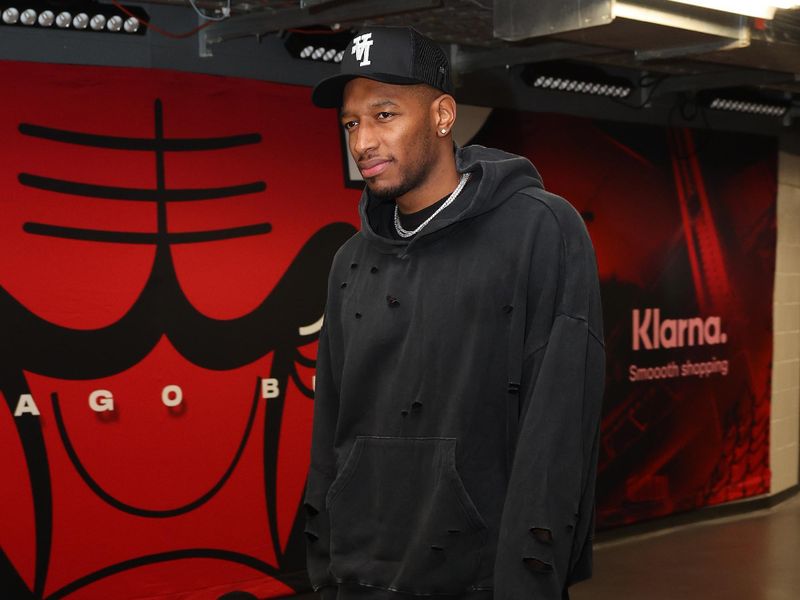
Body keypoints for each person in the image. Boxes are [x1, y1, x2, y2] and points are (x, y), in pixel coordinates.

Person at [304, 26, 605, 600]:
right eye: (350, 122)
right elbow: (332, 425)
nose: (362, 140)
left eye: (384, 114)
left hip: (483, 578)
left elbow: (560, 426)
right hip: (363, 574)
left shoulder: (539, 230)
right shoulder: (350, 260)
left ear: (443, 115)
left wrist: (531, 579)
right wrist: (325, 563)